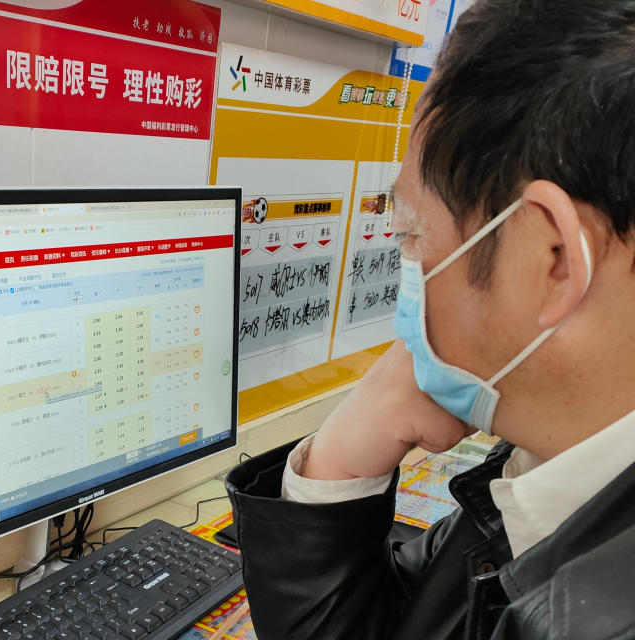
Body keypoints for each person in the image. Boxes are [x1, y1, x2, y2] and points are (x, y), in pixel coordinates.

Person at [226, 1, 635, 638]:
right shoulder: (540, 468)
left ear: (549, 256)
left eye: (413, 237)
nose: (408, 271)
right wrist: (338, 461)